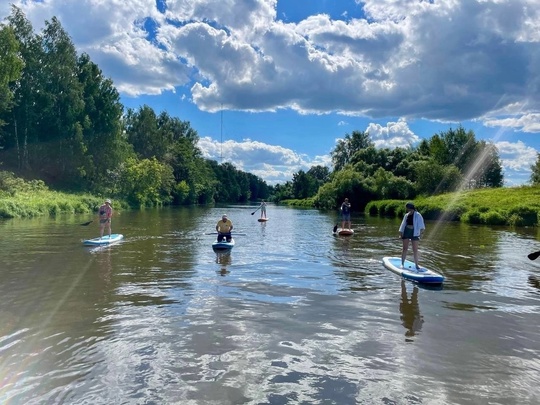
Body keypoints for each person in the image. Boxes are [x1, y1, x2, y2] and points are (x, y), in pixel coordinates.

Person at [399, 202, 425, 270]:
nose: (406, 209)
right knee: (404, 249)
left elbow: (422, 226)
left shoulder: (418, 215)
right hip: (407, 231)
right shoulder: (406, 215)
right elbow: (403, 224)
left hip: (415, 233)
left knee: (415, 250)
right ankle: (402, 264)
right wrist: (401, 233)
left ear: (410, 208)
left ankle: (417, 265)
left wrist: (420, 233)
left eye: (407, 208)